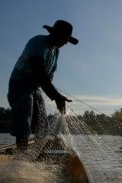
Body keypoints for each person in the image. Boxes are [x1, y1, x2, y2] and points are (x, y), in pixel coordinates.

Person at [8, 20, 78, 150]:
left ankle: (38, 152)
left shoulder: (56, 51)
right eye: (64, 38)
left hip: (35, 87)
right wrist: (56, 96)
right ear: (55, 34)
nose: (66, 42)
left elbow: (48, 76)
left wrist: (55, 95)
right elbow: (39, 71)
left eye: (67, 39)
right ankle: (21, 157)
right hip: (20, 83)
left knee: (42, 124)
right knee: (24, 117)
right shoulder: (38, 42)